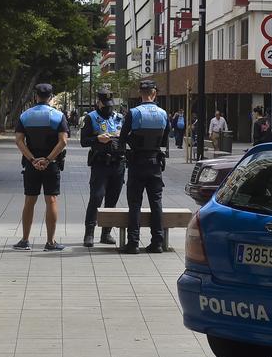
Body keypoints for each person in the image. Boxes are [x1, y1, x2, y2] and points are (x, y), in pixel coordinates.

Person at [14, 84, 70, 251]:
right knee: (51, 200)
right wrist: (47, 159)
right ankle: (51, 242)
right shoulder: (58, 116)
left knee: (29, 200)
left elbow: (18, 140)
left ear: (35, 96)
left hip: (31, 165)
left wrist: (32, 159)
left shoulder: (25, 116)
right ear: (51, 96)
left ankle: (24, 240)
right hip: (51, 164)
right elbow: (63, 141)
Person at [119, 80, 170, 254]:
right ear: (154, 93)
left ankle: (133, 243)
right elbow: (164, 140)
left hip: (136, 163)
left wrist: (123, 154)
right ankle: (157, 242)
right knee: (156, 203)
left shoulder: (134, 113)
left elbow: (122, 137)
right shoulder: (163, 114)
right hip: (155, 163)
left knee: (135, 204)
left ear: (140, 93)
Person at [80, 88, 126, 248]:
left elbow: (130, 138)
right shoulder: (91, 118)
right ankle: (89, 233)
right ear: (98, 103)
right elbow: (83, 141)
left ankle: (106, 233)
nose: (108, 107)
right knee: (96, 197)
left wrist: (123, 137)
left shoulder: (119, 117)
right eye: (105, 104)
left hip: (118, 163)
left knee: (112, 200)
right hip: (100, 163)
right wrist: (97, 139)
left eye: (110, 104)